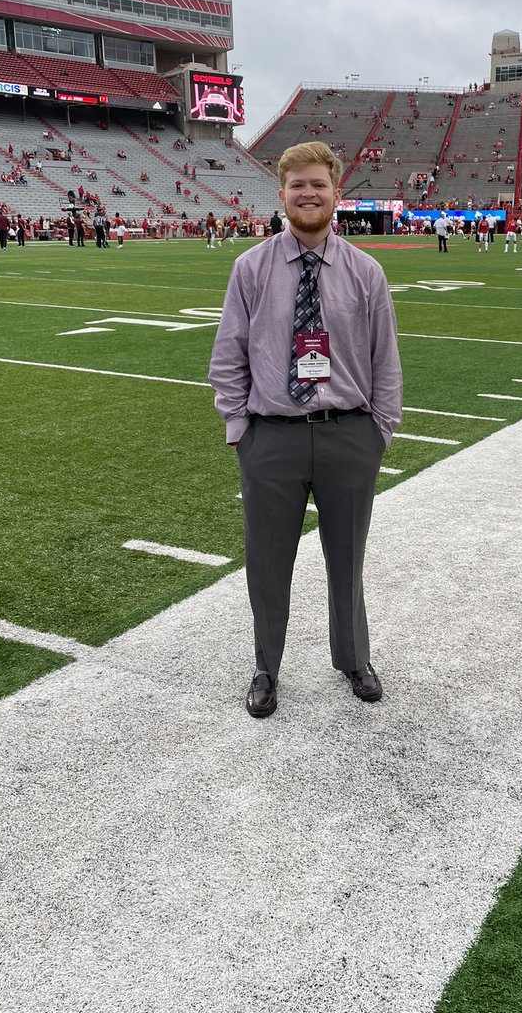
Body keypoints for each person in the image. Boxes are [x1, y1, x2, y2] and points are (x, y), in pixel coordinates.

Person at [209, 141, 403, 718]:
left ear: (336, 193)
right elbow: (228, 356)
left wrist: (378, 432)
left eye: (318, 184)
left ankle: (353, 659)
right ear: (283, 195)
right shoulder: (251, 267)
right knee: (267, 560)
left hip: (348, 433)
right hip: (273, 435)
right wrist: (241, 428)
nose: (308, 194)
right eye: (298, 185)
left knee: (348, 559)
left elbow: (385, 361)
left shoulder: (366, 272)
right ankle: (266, 665)